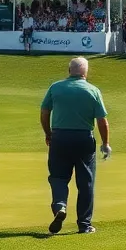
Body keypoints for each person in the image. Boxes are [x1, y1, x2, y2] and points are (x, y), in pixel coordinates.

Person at [39, 57, 111, 235]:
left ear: (69, 70)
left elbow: (44, 111)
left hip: (60, 137)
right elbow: (102, 121)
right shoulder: (93, 90)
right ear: (85, 72)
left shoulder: (56, 87)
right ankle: (84, 225)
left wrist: (48, 133)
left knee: (58, 177)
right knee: (85, 182)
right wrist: (105, 143)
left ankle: (60, 206)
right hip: (83, 139)